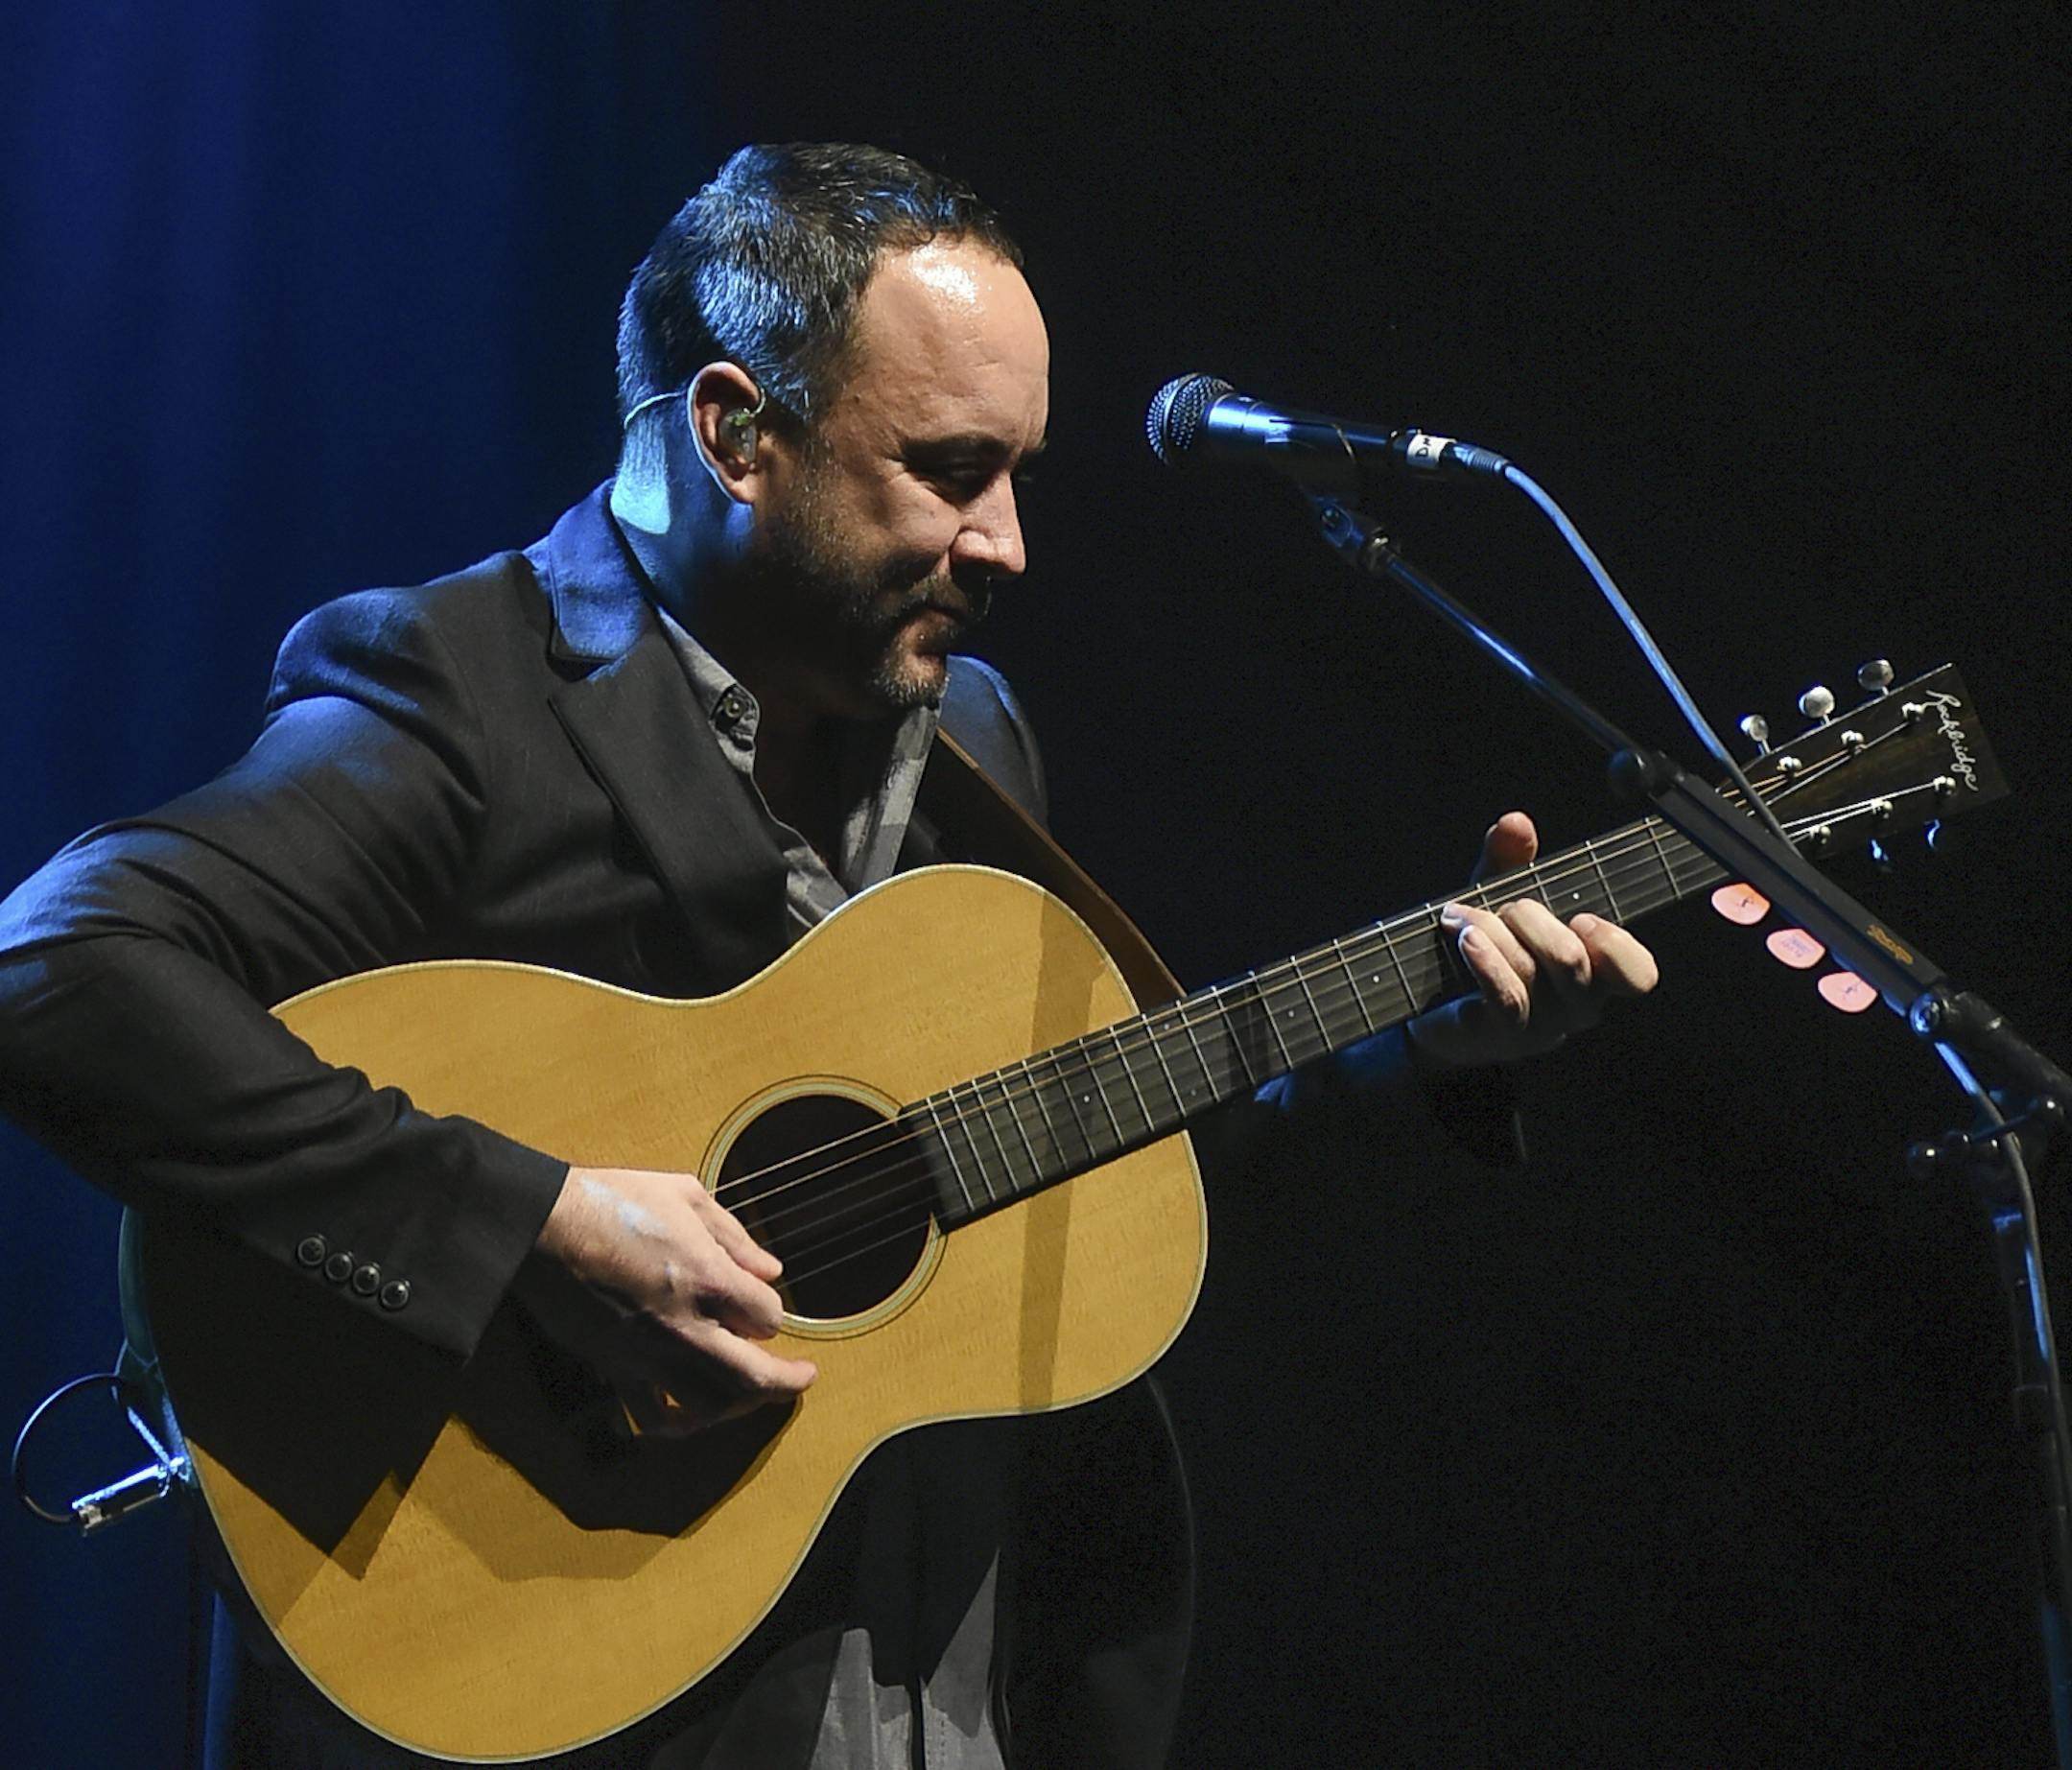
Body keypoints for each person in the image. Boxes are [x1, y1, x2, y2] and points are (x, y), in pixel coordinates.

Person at [0, 141, 1657, 1766]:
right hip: (578, 1677)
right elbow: (57, 970)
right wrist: (540, 1224)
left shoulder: (976, 738)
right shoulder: (466, 699)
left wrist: (1412, 1049)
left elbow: (1075, 1166)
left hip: (954, 1695)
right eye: (948, 470)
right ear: (735, 434)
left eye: (1021, 472)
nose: (1008, 542)